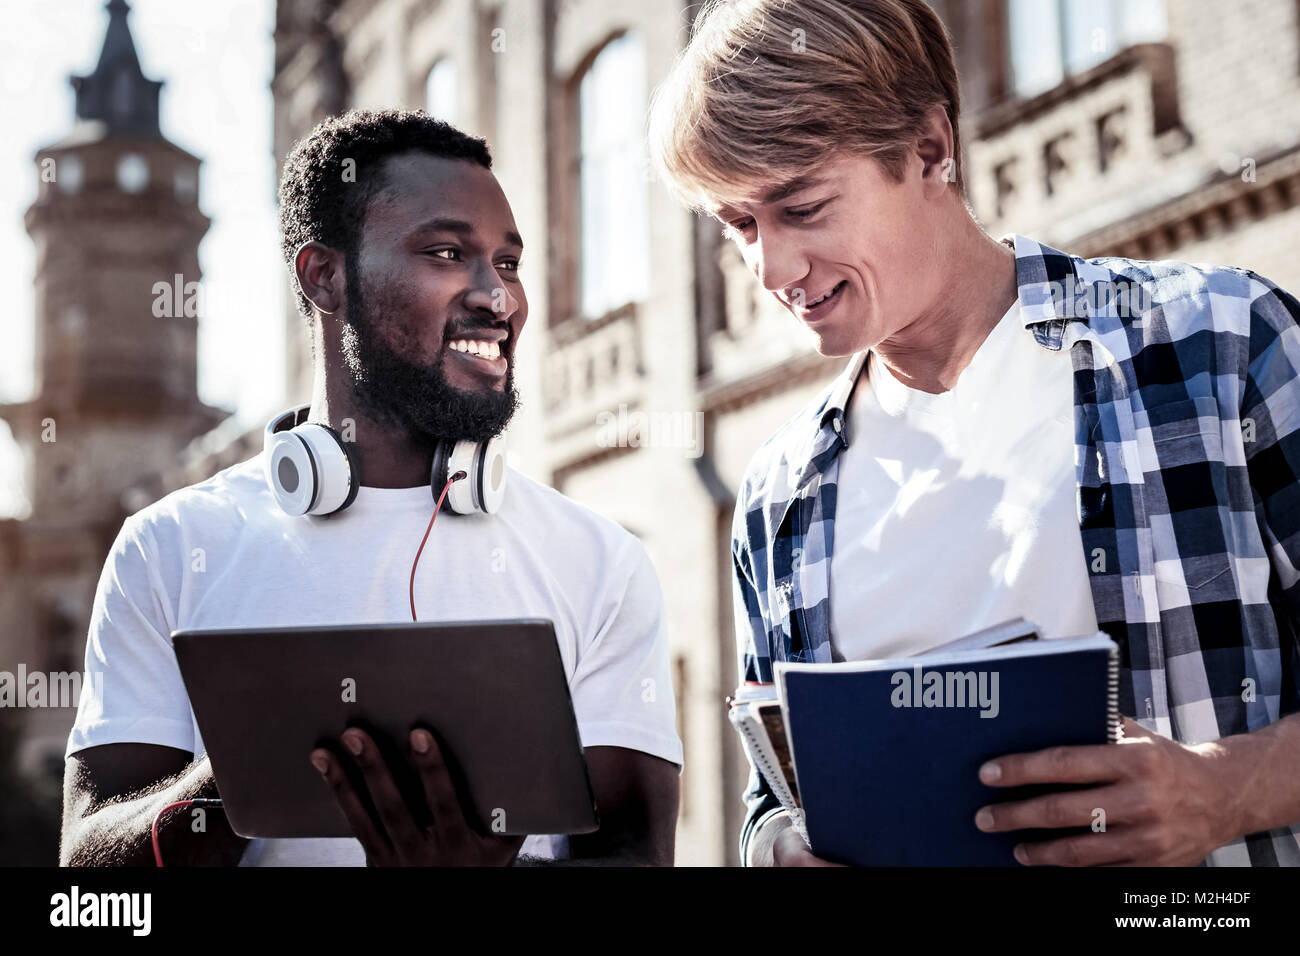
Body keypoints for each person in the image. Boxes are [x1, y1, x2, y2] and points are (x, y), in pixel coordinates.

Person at [649, 0, 1300, 867]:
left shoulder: (1223, 344)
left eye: (801, 208)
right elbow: (772, 802)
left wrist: (1223, 791)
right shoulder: (778, 497)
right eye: (740, 226)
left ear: (928, 148)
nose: (771, 270)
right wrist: (781, 852)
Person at [60, 109, 681, 866]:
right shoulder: (169, 546)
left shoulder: (600, 561)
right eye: (448, 252)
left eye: (509, 262)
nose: (498, 297)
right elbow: (87, 889)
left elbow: (635, 854)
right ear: (326, 275)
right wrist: (246, 765)